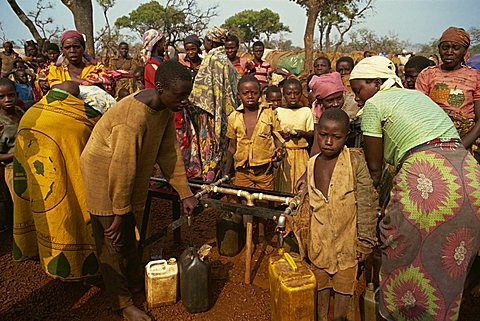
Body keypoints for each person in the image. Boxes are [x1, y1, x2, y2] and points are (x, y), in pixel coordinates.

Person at [350, 55, 480, 321]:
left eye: (358, 89)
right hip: (469, 174)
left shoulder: (375, 105)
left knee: (401, 249)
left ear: (376, 82)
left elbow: (375, 169)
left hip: (427, 177)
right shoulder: (418, 97)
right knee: (449, 258)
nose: (357, 98)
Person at [80, 60, 198, 321]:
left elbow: (169, 153)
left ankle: (132, 284)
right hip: (104, 173)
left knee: (129, 231)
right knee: (112, 239)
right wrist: (119, 213)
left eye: (187, 95)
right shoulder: (131, 119)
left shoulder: (165, 108)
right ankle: (122, 303)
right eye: (180, 96)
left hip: (130, 171)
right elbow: (122, 169)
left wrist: (184, 192)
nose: (184, 101)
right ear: (160, 88)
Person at [286, 108, 377, 321]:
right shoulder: (311, 164)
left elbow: (366, 203)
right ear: (317, 133)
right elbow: (308, 207)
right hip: (319, 246)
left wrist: (364, 241)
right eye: (323, 135)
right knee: (320, 291)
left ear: (347, 137)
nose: (328, 141)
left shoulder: (355, 162)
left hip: (347, 247)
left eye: (336, 137)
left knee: (344, 295)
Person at [12, 80, 102, 281]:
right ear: (74, 98)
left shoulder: (30, 116)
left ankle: (54, 263)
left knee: (53, 221)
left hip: (43, 186)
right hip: (75, 181)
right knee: (77, 217)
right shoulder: (80, 119)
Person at [416, 27, 480, 162]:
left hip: (466, 139)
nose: (449, 52)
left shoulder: (475, 77)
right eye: (445, 47)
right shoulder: (427, 74)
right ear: (439, 49)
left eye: (455, 48)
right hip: (432, 137)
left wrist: (460, 146)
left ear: (464, 51)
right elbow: (419, 114)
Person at [189, 26, 239, 181]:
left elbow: (199, 91)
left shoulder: (211, 58)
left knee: (209, 146)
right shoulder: (226, 61)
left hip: (208, 112)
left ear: (212, 42)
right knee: (222, 146)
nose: (204, 43)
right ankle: (219, 177)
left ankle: (208, 180)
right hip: (226, 113)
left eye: (206, 40)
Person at [275, 78, 314, 193]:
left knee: (300, 185)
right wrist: (283, 134)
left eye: (296, 93)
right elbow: (274, 133)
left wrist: (301, 133)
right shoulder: (278, 111)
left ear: (301, 94)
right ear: (284, 94)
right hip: (284, 154)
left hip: (301, 153)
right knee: (283, 185)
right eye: (289, 93)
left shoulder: (306, 111)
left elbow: (312, 134)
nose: (293, 96)